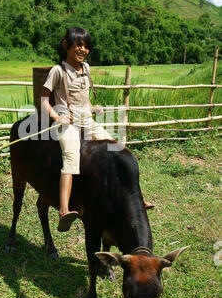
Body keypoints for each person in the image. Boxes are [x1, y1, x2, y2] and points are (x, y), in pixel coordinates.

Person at [41, 27, 154, 233]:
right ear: (66, 45)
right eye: (78, 45)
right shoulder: (58, 71)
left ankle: (138, 200)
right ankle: (64, 211)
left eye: (86, 46)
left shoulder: (86, 68)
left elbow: (82, 98)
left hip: (87, 120)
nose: (83, 49)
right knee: (71, 157)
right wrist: (58, 116)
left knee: (118, 149)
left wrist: (92, 107)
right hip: (68, 124)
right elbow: (43, 100)